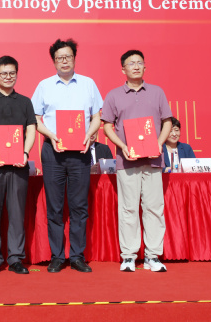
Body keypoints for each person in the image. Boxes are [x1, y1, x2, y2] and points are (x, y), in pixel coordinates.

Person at [31, 38, 101, 273]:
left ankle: (78, 256)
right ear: (53, 61)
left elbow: (96, 117)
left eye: (68, 56)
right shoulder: (44, 86)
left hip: (80, 152)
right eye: (59, 58)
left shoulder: (88, 84)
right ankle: (57, 256)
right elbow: (35, 119)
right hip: (53, 152)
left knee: (79, 206)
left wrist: (89, 135)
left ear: (74, 58)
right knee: (55, 206)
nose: (64, 61)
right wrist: (51, 135)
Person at [101, 49, 172, 273]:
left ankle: (153, 256)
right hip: (127, 160)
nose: (136, 66)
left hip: (153, 159)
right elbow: (107, 126)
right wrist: (122, 146)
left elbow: (167, 121)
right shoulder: (114, 95)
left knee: (154, 208)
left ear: (145, 66)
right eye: (131, 63)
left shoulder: (157, 92)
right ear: (123, 69)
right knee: (128, 209)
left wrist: (159, 143)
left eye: (140, 62)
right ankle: (129, 256)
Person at [0, 56, 36, 275]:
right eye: (3, 73)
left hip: (18, 166)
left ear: (17, 75)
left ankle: (15, 258)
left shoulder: (25, 102)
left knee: (17, 214)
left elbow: (31, 129)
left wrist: (25, 152)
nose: (8, 77)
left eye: (12, 73)